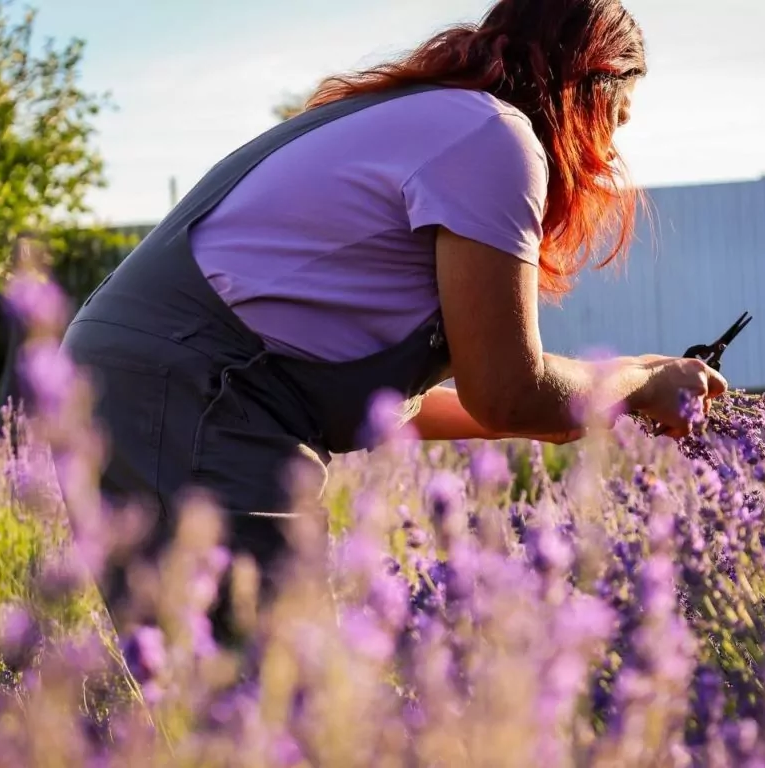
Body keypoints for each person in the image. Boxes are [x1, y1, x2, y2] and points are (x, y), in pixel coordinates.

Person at [59, 0, 727, 644]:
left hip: (136, 386)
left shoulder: (423, 118)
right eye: (619, 118)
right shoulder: (493, 136)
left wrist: (596, 403)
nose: (610, 155)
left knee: (206, 700)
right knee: (284, 714)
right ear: (589, 83)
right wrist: (641, 377)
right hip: (192, 394)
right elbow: (508, 393)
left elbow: (426, 406)